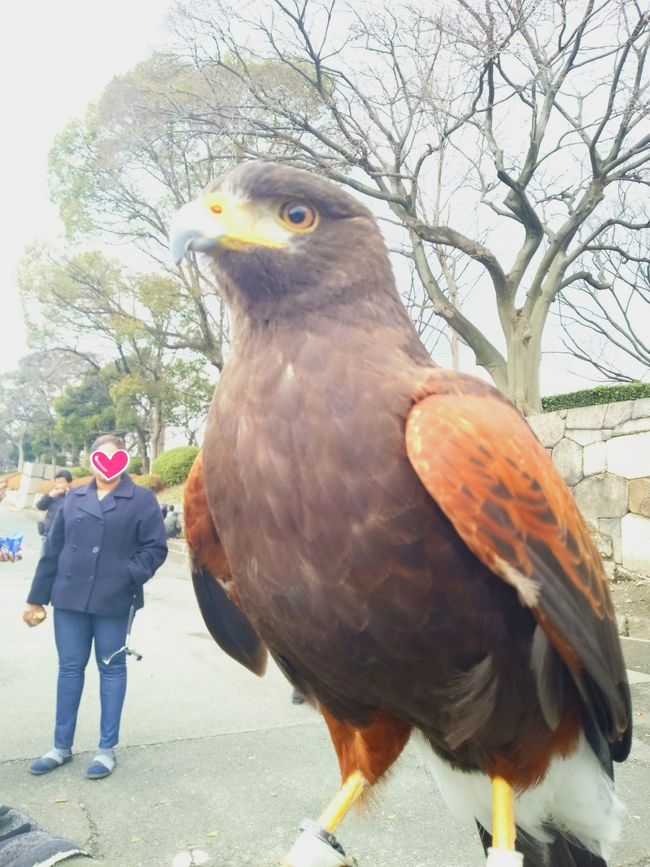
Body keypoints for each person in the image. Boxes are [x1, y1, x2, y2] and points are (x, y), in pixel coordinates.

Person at [22, 434, 167, 780]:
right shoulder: (74, 499)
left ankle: (105, 749)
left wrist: (126, 575)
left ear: (123, 460)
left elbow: (155, 548)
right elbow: (52, 550)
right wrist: (36, 597)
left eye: (114, 456)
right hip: (68, 597)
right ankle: (60, 747)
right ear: (92, 460)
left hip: (114, 600)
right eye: (101, 456)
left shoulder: (141, 500)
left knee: (112, 670)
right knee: (69, 669)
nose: (107, 463)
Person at [36, 470, 73, 539]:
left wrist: (68, 494)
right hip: (48, 534)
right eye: (57, 482)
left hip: (63, 537)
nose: (59, 485)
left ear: (69, 483)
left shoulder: (74, 496)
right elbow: (40, 506)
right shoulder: (52, 494)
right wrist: (50, 496)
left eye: (62, 482)